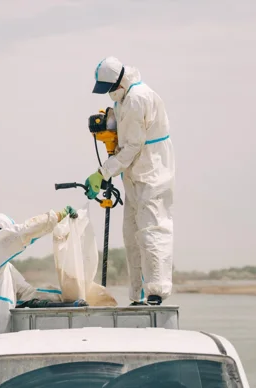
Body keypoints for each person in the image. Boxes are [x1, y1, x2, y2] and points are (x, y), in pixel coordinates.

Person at [86, 56, 175, 306]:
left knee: (151, 230)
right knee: (132, 234)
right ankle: (138, 295)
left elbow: (134, 146)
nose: (110, 94)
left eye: (111, 89)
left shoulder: (137, 98)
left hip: (151, 172)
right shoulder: (125, 99)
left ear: (120, 81)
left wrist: (103, 172)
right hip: (134, 173)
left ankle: (156, 290)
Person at [0, 206, 77, 339]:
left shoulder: (4, 268)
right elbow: (21, 234)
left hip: (1, 343)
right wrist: (56, 218)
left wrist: (67, 297)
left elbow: (27, 293)